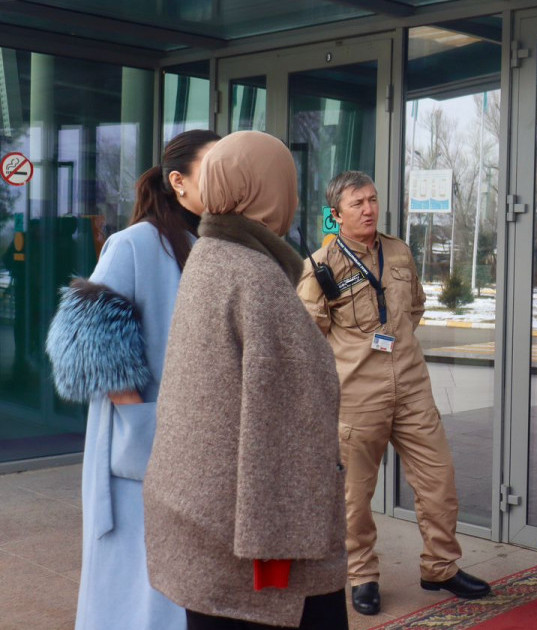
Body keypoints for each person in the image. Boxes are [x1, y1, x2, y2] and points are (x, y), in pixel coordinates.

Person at [142, 131, 349, 630]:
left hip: (204, 526)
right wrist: (277, 555)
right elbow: (283, 431)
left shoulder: (209, 256)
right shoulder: (255, 278)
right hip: (258, 557)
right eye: (287, 184)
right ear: (268, 190)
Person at [45, 129, 220, 630]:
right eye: (213, 168)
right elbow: (87, 345)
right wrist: (145, 427)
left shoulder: (213, 245)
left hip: (192, 445)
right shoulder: (135, 243)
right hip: (139, 443)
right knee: (136, 583)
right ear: (178, 181)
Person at [296, 171, 490, 616]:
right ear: (336, 213)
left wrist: (390, 342)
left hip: (411, 384)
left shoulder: (398, 251)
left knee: (439, 478)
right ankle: (361, 575)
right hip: (357, 394)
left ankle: (440, 566)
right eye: (357, 203)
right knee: (355, 495)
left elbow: (414, 306)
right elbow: (309, 336)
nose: (368, 209)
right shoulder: (321, 266)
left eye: (372, 199)